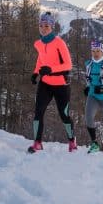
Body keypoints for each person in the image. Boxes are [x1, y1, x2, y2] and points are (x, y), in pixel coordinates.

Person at [28, 12, 77, 153]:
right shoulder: (38, 43)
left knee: (64, 114)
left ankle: (72, 141)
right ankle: (37, 142)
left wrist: (51, 69)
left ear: (52, 26)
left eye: (46, 26)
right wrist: (35, 72)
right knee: (38, 112)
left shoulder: (59, 43)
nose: (43, 28)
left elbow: (68, 65)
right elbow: (41, 59)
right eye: (41, 25)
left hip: (61, 85)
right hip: (45, 84)